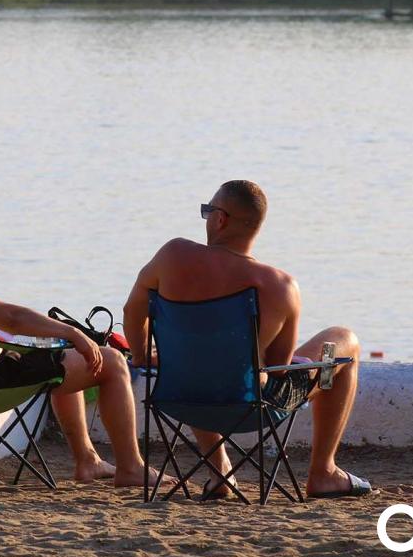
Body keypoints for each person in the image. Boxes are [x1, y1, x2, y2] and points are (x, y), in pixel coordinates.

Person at [0, 195, 168, 487]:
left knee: (60, 360)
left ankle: (88, 462)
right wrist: (71, 332)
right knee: (110, 360)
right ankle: (131, 468)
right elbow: (10, 318)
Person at [122, 180, 372, 500]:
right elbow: (280, 368)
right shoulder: (280, 286)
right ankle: (323, 472)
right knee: (345, 340)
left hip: (178, 395)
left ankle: (219, 472)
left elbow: (132, 311)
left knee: (200, 357)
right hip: (251, 406)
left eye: (207, 212)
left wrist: (143, 356)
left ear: (220, 219)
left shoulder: (172, 255)